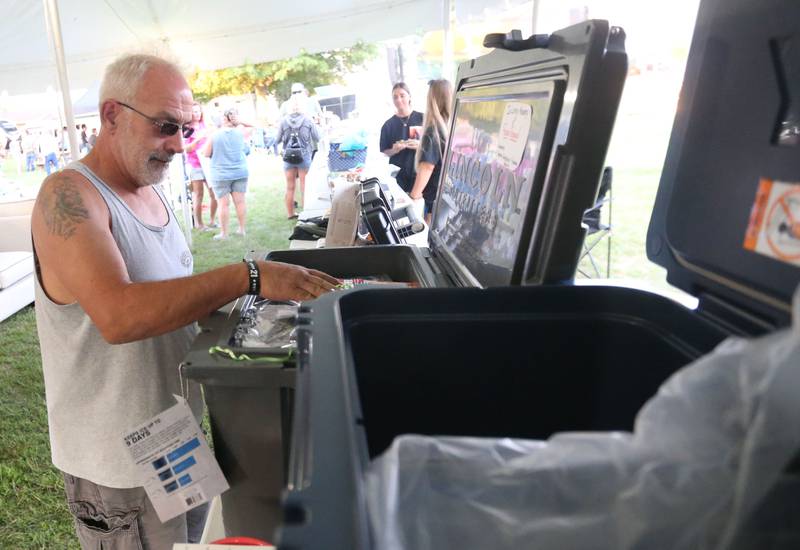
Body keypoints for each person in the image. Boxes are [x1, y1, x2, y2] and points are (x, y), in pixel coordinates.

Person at [30, 53, 339, 550]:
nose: (177, 144)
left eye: (186, 129)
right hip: (117, 466)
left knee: (191, 542)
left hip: (173, 436)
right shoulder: (67, 196)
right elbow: (119, 315)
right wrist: (247, 277)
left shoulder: (149, 190)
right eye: (164, 127)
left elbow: (172, 296)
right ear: (112, 115)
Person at [409, 79, 453, 224]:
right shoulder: (450, 127)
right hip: (447, 198)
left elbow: (428, 167)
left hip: (433, 201)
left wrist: (414, 195)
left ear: (432, 99)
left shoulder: (432, 131)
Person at [203, 107, 250, 239]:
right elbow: (253, 126)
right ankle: (241, 229)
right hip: (240, 172)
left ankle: (224, 233)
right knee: (240, 202)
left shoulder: (215, 134)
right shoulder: (241, 132)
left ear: (223, 119)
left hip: (220, 173)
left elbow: (206, 153)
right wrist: (240, 122)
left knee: (223, 204)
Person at [277, 97, 320, 219]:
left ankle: (290, 213)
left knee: (290, 186)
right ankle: (306, 214)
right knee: (304, 186)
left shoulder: (283, 121)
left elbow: (277, 139)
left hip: (288, 157)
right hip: (304, 155)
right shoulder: (308, 120)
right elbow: (317, 136)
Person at [379, 82, 424, 194]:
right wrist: (394, 150)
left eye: (402, 95)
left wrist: (421, 146)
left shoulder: (423, 119)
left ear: (409, 97)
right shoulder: (388, 125)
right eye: (395, 97)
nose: (399, 100)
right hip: (398, 178)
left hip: (420, 175)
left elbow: (435, 147)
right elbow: (385, 152)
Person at [184, 102, 217, 230]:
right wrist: (198, 139)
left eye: (198, 111)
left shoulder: (205, 126)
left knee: (214, 194)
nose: (196, 114)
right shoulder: (187, 129)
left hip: (209, 163)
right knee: (198, 195)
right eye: (193, 111)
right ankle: (199, 224)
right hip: (195, 164)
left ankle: (213, 220)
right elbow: (187, 149)